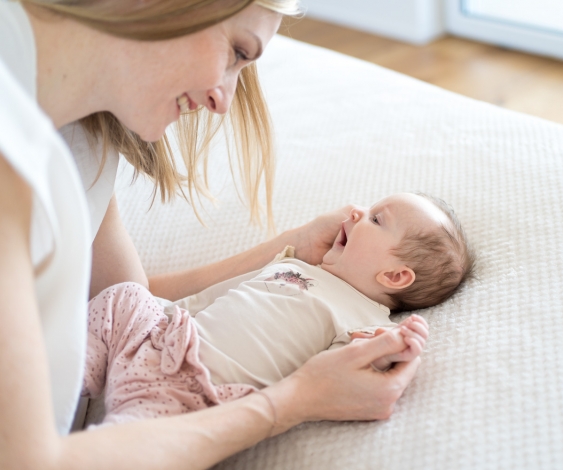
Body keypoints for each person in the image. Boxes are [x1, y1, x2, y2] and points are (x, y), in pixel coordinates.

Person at [0, 1, 427, 468]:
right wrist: (295, 400)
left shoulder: (84, 138)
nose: (223, 99)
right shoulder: (12, 164)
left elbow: (129, 300)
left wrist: (291, 247)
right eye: (238, 50)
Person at [82, 193, 476, 425]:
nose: (356, 212)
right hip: (162, 337)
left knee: (135, 439)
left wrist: (394, 349)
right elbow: (215, 296)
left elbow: (348, 368)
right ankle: (69, 369)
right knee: (124, 298)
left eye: (376, 219)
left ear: (394, 277)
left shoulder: (365, 320)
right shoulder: (293, 266)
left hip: (195, 392)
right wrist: (161, 312)